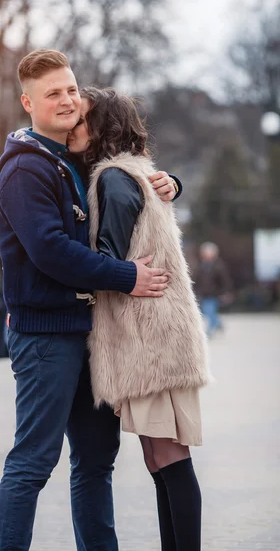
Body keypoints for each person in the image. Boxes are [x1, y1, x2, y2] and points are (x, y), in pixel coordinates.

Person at [0, 49, 182, 551]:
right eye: (53, 93)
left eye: (72, 89)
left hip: (89, 334)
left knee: (95, 464)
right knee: (33, 462)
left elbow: (127, 176)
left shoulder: (73, 160)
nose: (68, 100)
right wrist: (125, 276)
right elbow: (51, 251)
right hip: (45, 336)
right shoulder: (25, 169)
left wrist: (169, 181)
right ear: (28, 102)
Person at [68, 86, 211, 551]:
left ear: (102, 128)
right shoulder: (131, 172)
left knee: (167, 455)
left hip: (150, 338)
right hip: (158, 333)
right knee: (159, 457)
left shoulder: (112, 179)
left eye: (81, 119)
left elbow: (108, 257)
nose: (73, 124)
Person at [194, 241, 233, 337]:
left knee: (209, 310)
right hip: (203, 293)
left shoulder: (219, 266)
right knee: (206, 312)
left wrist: (226, 292)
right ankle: (218, 324)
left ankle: (210, 331)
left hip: (214, 294)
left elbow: (225, 281)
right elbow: (197, 280)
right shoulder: (201, 266)